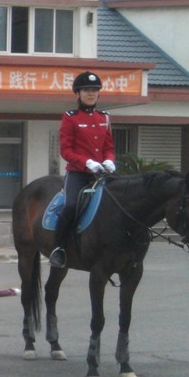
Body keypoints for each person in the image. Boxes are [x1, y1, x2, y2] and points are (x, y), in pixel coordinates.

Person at [49, 71, 117, 268]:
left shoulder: (104, 117)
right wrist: (87, 162)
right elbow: (66, 151)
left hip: (101, 173)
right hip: (78, 173)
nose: (91, 94)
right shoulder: (70, 117)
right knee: (70, 206)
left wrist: (110, 160)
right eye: (86, 90)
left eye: (94, 90)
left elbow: (109, 147)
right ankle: (58, 248)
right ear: (77, 94)